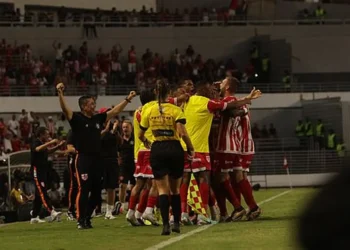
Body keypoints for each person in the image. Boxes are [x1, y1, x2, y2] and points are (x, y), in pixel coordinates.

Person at [56, 82, 136, 229]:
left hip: (98, 159)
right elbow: (65, 109)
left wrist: (128, 99)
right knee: (83, 189)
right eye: (91, 104)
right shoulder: (77, 120)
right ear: (84, 106)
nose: (94, 106)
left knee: (97, 194)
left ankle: (87, 217)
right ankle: (81, 220)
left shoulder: (98, 119)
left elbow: (114, 111)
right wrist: (60, 94)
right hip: (83, 159)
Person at [139, 79, 195, 235]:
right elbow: (182, 132)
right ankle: (176, 223)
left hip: (158, 149)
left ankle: (165, 226)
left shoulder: (149, 110)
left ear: (155, 93)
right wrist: (190, 148)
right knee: (175, 189)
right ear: (169, 93)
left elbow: (140, 134)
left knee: (162, 190)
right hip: (174, 148)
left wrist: (146, 141)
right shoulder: (175, 110)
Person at [30, 127, 64, 224]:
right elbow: (37, 149)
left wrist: (58, 146)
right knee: (42, 192)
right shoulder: (36, 142)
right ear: (41, 134)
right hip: (37, 171)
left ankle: (34, 216)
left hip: (42, 171)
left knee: (38, 195)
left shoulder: (42, 143)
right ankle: (51, 211)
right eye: (46, 134)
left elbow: (47, 151)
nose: (48, 136)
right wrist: (50, 142)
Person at [99, 109, 122, 220]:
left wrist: (115, 131)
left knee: (111, 186)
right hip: (100, 159)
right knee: (97, 185)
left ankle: (109, 211)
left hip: (112, 159)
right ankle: (94, 209)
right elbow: (97, 139)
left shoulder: (114, 127)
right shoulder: (98, 126)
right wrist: (108, 130)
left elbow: (120, 142)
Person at [118, 120, 136, 215]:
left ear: (131, 128)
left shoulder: (135, 138)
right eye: (124, 127)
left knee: (133, 186)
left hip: (134, 165)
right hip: (123, 166)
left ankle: (131, 206)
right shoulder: (120, 139)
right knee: (122, 185)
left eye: (127, 127)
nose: (125, 129)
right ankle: (121, 205)